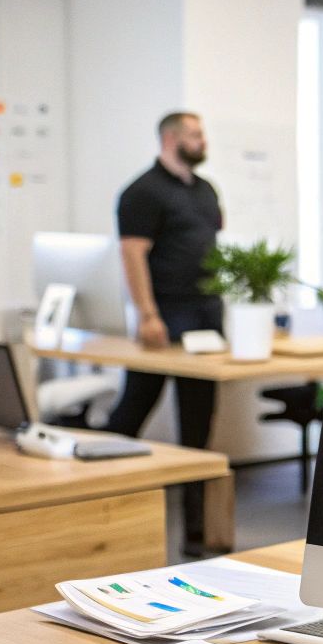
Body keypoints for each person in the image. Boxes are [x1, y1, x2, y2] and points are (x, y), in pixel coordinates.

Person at [106, 111, 223, 550]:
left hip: (206, 315)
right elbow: (132, 255)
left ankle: (196, 534)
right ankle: (103, 500)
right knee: (134, 408)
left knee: (198, 426)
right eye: (195, 134)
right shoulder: (142, 192)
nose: (202, 140)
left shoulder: (206, 190)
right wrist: (147, 314)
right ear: (171, 138)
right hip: (166, 314)